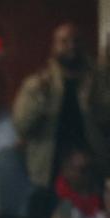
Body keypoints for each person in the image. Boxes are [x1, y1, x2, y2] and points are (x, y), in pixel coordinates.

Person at [13, 22, 110, 191]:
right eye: (64, 41)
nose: (71, 46)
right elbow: (22, 126)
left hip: (94, 172)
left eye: (76, 40)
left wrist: (94, 104)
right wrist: (41, 100)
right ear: (54, 46)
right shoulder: (37, 83)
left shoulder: (100, 81)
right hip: (48, 172)